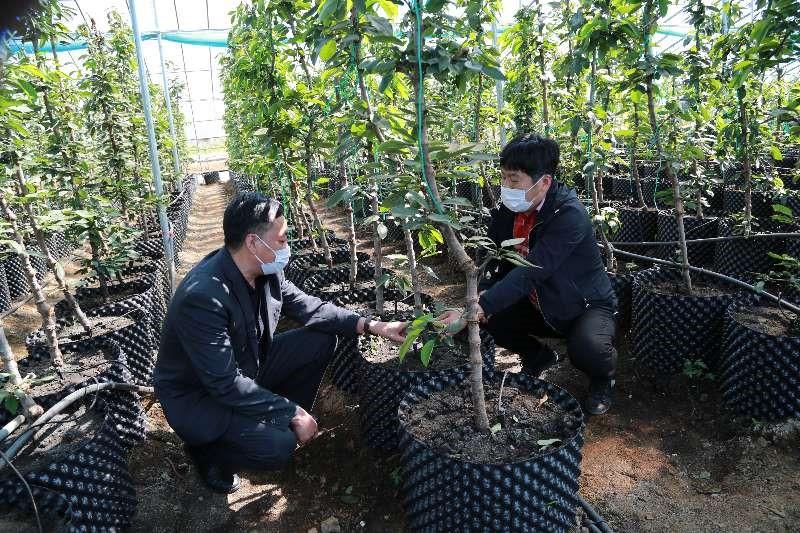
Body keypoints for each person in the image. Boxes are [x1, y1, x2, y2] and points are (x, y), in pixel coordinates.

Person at [154, 192, 407, 494]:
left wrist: (372, 325)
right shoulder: (204, 296)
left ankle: (268, 416)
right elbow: (223, 383)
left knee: (320, 339)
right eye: (283, 239)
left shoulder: (265, 271)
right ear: (252, 242)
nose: (288, 247)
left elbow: (311, 308)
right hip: (201, 396)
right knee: (278, 447)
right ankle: (208, 452)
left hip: (247, 366)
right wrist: (291, 412)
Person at [438, 134, 617, 415]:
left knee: (588, 349)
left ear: (543, 182)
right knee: (489, 315)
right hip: (539, 302)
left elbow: (531, 272)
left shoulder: (569, 215)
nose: (506, 187)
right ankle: (538, 355)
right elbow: (493, 263)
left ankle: (602, 378)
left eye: (514, 179)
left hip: (584, 305)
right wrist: (478, 300)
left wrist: (478, 307)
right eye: (504, 178)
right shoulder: (509, 212)